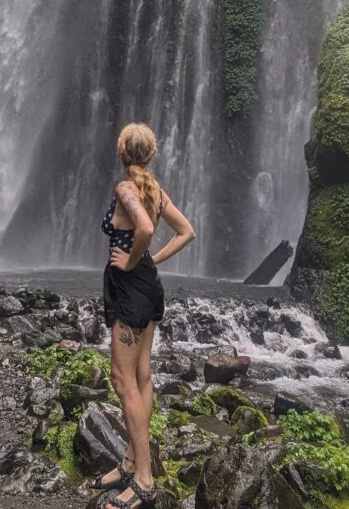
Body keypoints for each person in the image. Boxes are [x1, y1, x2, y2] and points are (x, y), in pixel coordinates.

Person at [91, 122, 197, 508]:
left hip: (130, 290)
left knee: (122, 380)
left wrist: (133, 259)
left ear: (121, 152)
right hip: (148, 287)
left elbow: (147, 228)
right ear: (149, 154)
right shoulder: (153, 189)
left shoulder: (125, 188)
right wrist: (150, 261)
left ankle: (145, 479)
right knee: (142, 376)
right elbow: (186, 231)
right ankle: (132, 460)